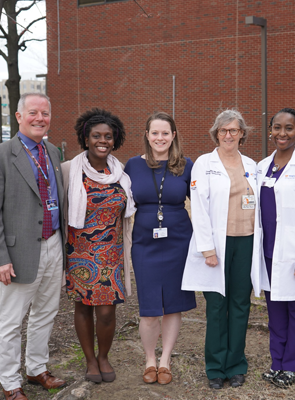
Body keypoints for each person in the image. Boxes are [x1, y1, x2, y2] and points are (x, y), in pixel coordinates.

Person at [182, 109, 256, 390]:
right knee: (216, 306)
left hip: (246, 241)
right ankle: (215, 367)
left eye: (234, 130)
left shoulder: (251, 164)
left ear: (241, 134)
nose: (228, 135)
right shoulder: (204, 163)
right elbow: (198, 208)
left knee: (240, 304)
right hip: (217, 244)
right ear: (216, 133)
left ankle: (236, 365)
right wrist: (207, 249)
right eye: (223, 131)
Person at [251, 108, 295, 387]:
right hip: (268, 251)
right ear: (270, 130)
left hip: (294, 253)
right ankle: (277, 362)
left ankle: (294, 365)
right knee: (275, 310)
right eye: (277, 127)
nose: (282, 133)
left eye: (289, 128)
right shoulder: (261, 166)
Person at [0, 93, 66, 400]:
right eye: (33, 113)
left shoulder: (52, 152)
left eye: (45, 113)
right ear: (18, 116)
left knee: (46, 313)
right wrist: (1, 257)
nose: (40, 118)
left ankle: (36, 368)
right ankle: (10, 382)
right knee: (11, 322)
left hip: (53, 245)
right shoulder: (3, 154)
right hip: (18, 252)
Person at [62, 108, 136, 384]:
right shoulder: (70, 170)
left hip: (111, 254)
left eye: (108, 136)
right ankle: (90, 360)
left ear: (115, 139)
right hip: (80, 252)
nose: (102, 140)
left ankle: (104, 356)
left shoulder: (120, 173)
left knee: (106, 311)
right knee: (82, 307)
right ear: (86, 137)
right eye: (96, 136)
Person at [124, 112, 196, 385]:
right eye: (155, 133)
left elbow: (202, 202)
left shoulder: (186, 165)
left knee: (173, 305)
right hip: (144, 242)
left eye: (165, 133)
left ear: (173, 135)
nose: (160, 138)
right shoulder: (132, 165)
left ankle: (165, 359)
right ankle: (149, 359)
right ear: (146, 135)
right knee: (149, 307)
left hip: (178, 240)